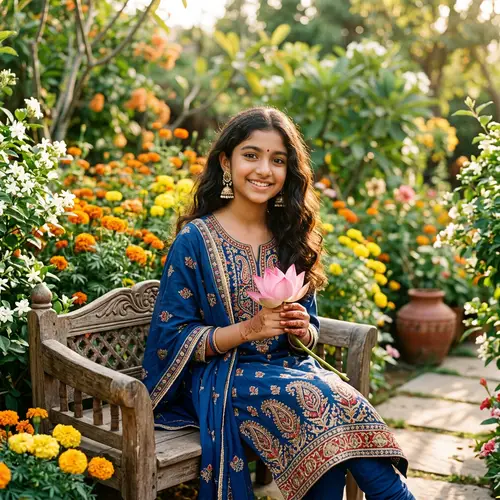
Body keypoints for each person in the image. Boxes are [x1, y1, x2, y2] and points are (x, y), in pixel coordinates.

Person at [142, 107, 414, 500]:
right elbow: (171, 334)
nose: (264, 169)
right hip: (223, 377)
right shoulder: (196, 240)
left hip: (290, 371)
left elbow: (312, 326)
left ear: (289, 171)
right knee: (320, 399)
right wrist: (248, 330)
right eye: (251, 155)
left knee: (336, 405)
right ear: (226, 161)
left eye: (278, 159)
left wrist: (304, 328)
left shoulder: (290, 233)